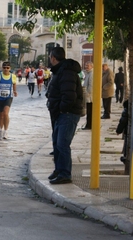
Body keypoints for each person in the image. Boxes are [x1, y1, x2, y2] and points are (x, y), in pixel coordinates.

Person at [47, 47, 84, 184]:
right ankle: (59, 169)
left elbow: (69, 95)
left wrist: (62, 109)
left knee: (62, 144)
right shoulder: (60, 71)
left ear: (53, 58)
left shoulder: (66, 71)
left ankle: (65, 174)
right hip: (59, 113)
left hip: (67, 114)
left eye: (50, 57)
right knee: (57, 142)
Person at [0, 61, 18, 140]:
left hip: (8, 97)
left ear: (10, 68)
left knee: (6, 113)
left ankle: (6, 131)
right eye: (4, 68)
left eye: (7, 68)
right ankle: (1, 130)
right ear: (2, 68)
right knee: (1, 115)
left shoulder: (13, 76)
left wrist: (15, 91)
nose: (6, 69)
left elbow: (14, 83)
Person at [116, 100, 128, 165]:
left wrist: (119, 131)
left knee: (127, 144)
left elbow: (123, 121)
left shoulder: (127, 105)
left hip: (128, 132)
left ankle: (126, 157)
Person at [82, 61, 93, 130]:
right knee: (88, 111)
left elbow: (91, 85)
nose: (86, 67)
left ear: (91, 66)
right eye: (85, 65)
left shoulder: (91, 74)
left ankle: (89, 125)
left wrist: (87, 94)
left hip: (90, 97)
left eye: (88, 66)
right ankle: (88, 124)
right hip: (88, 96)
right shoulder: (88, 73)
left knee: (89, 112)